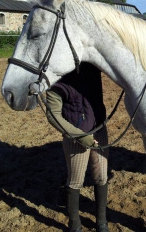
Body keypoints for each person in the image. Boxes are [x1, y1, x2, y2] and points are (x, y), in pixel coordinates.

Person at [46, 62, 109, 232]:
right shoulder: (56, 78)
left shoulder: (92, 66)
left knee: (102, 176)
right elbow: (53, 115)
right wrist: (81, 137)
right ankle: (74, 223)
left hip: (99, 129)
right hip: (76, 136)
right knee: (75, 181)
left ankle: (102, 221)